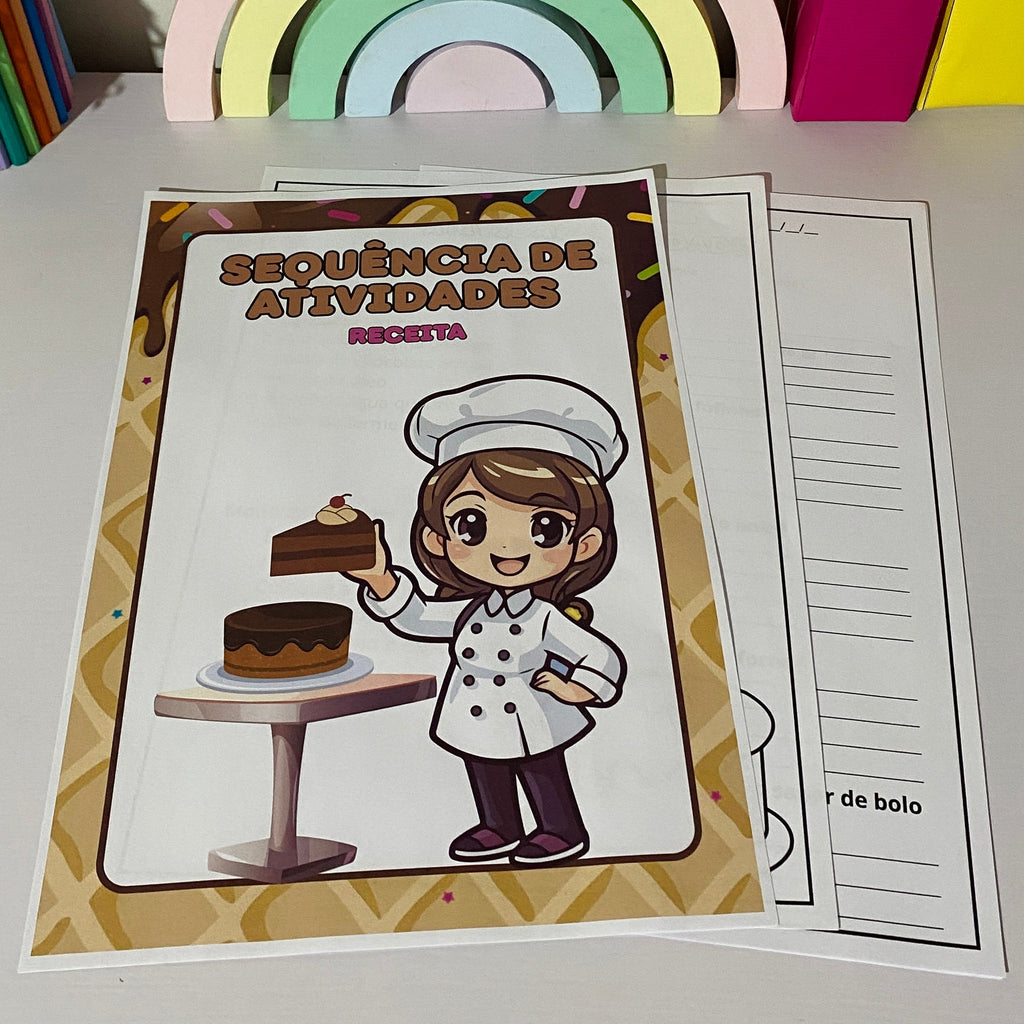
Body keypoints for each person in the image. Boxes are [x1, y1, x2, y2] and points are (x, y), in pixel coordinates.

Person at [346, 376, 627, 865]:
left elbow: (598, 655)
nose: (507, 546)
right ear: (438, 539)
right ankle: (499, 826)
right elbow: (418, 617)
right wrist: (380, 577)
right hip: (474, 712)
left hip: (534, 714)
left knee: (540, 769)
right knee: (483, 765)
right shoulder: (471, 610)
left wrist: (577, 688)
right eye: (472, 524)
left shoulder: (544, 617)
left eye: (544, 527)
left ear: (584, 544)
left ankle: (561, 830)